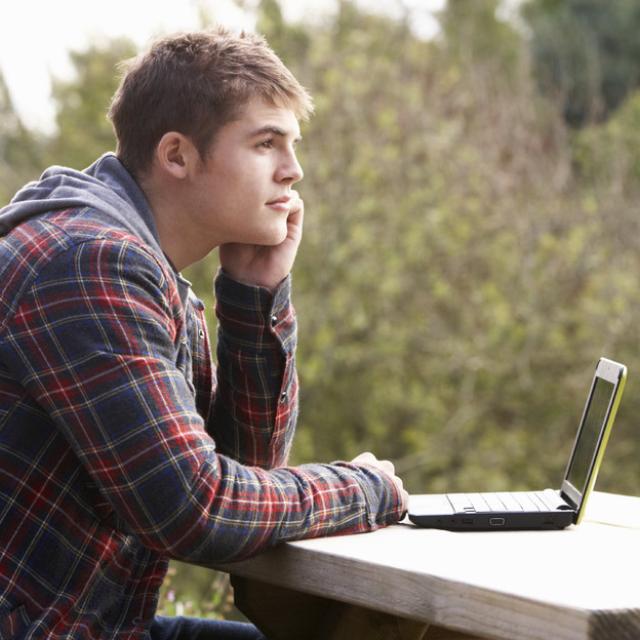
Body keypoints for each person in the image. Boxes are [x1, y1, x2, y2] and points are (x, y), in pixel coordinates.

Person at [0, 27, 407, 639]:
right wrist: (363, 489)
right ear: (177, 156)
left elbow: (243, 479)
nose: (293, 171)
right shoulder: (85, 263)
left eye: (292, 145)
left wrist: (254, 297)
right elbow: (196, 510)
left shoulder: (142, 268)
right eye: (266, 144)